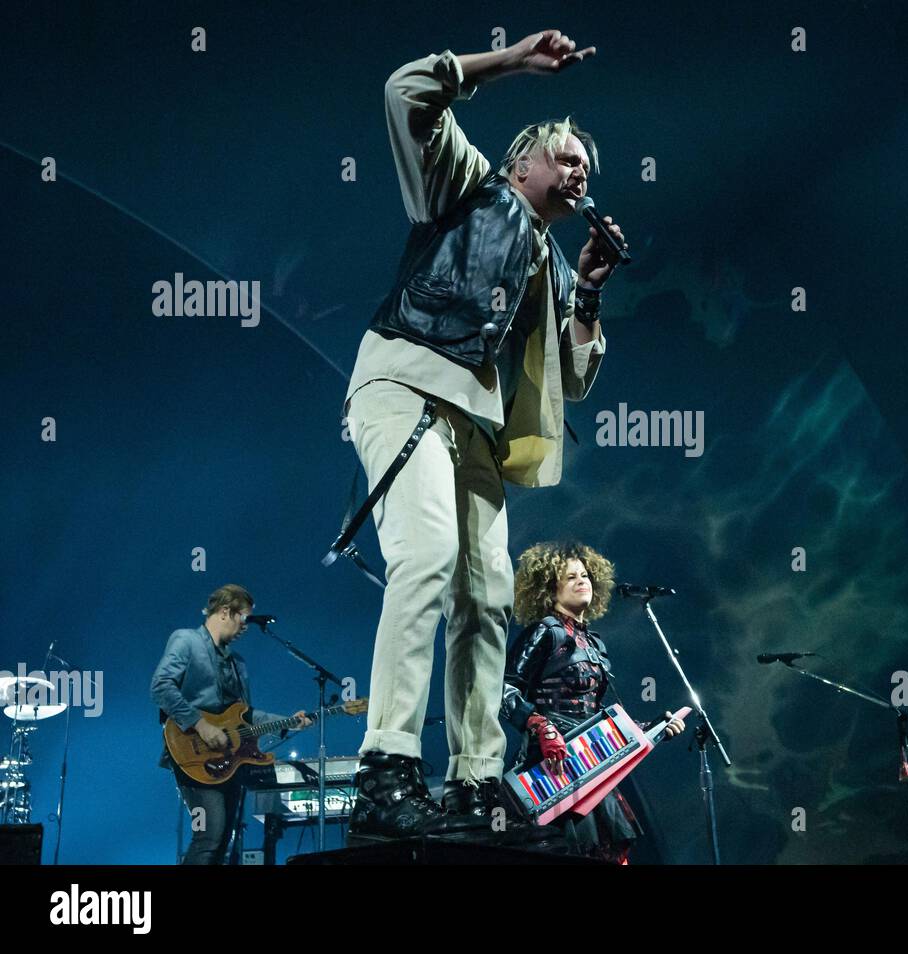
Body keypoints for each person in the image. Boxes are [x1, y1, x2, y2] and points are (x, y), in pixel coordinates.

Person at [342, 28, 626, 842]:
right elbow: (405, 91)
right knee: (425, 558)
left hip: (476, 428)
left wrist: (592, 295)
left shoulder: (554, 264)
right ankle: (387, 763)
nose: (579, 176)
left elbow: (571, 379)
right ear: (521, 165)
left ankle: (474, 780)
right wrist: (506, 63)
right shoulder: (470, 188)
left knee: (489, 598)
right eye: (567, 159)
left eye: (586, 171)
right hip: (405, 385)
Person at [502, 543, 684, 863]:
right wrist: (540, 725)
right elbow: (503, 690)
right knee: (571, 848)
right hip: (554, 762)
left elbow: (597, 713)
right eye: (570, 576)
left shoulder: (594, 641)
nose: (581, 580)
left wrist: (653, 728)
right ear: (550, 587)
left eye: (584, 575)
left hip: (591, 757)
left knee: (610, 851)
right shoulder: (545, 631)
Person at [149, 584, 309, 865]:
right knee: (209, 836)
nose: (245, 626)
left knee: (224, 841)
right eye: (243, 618)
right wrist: (202, 725)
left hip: (228, 760)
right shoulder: (186, 640)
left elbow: (245, 717)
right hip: (191, 750)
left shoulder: (238, 663)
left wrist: (288, 723)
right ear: (225, 611)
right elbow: (161, 686)